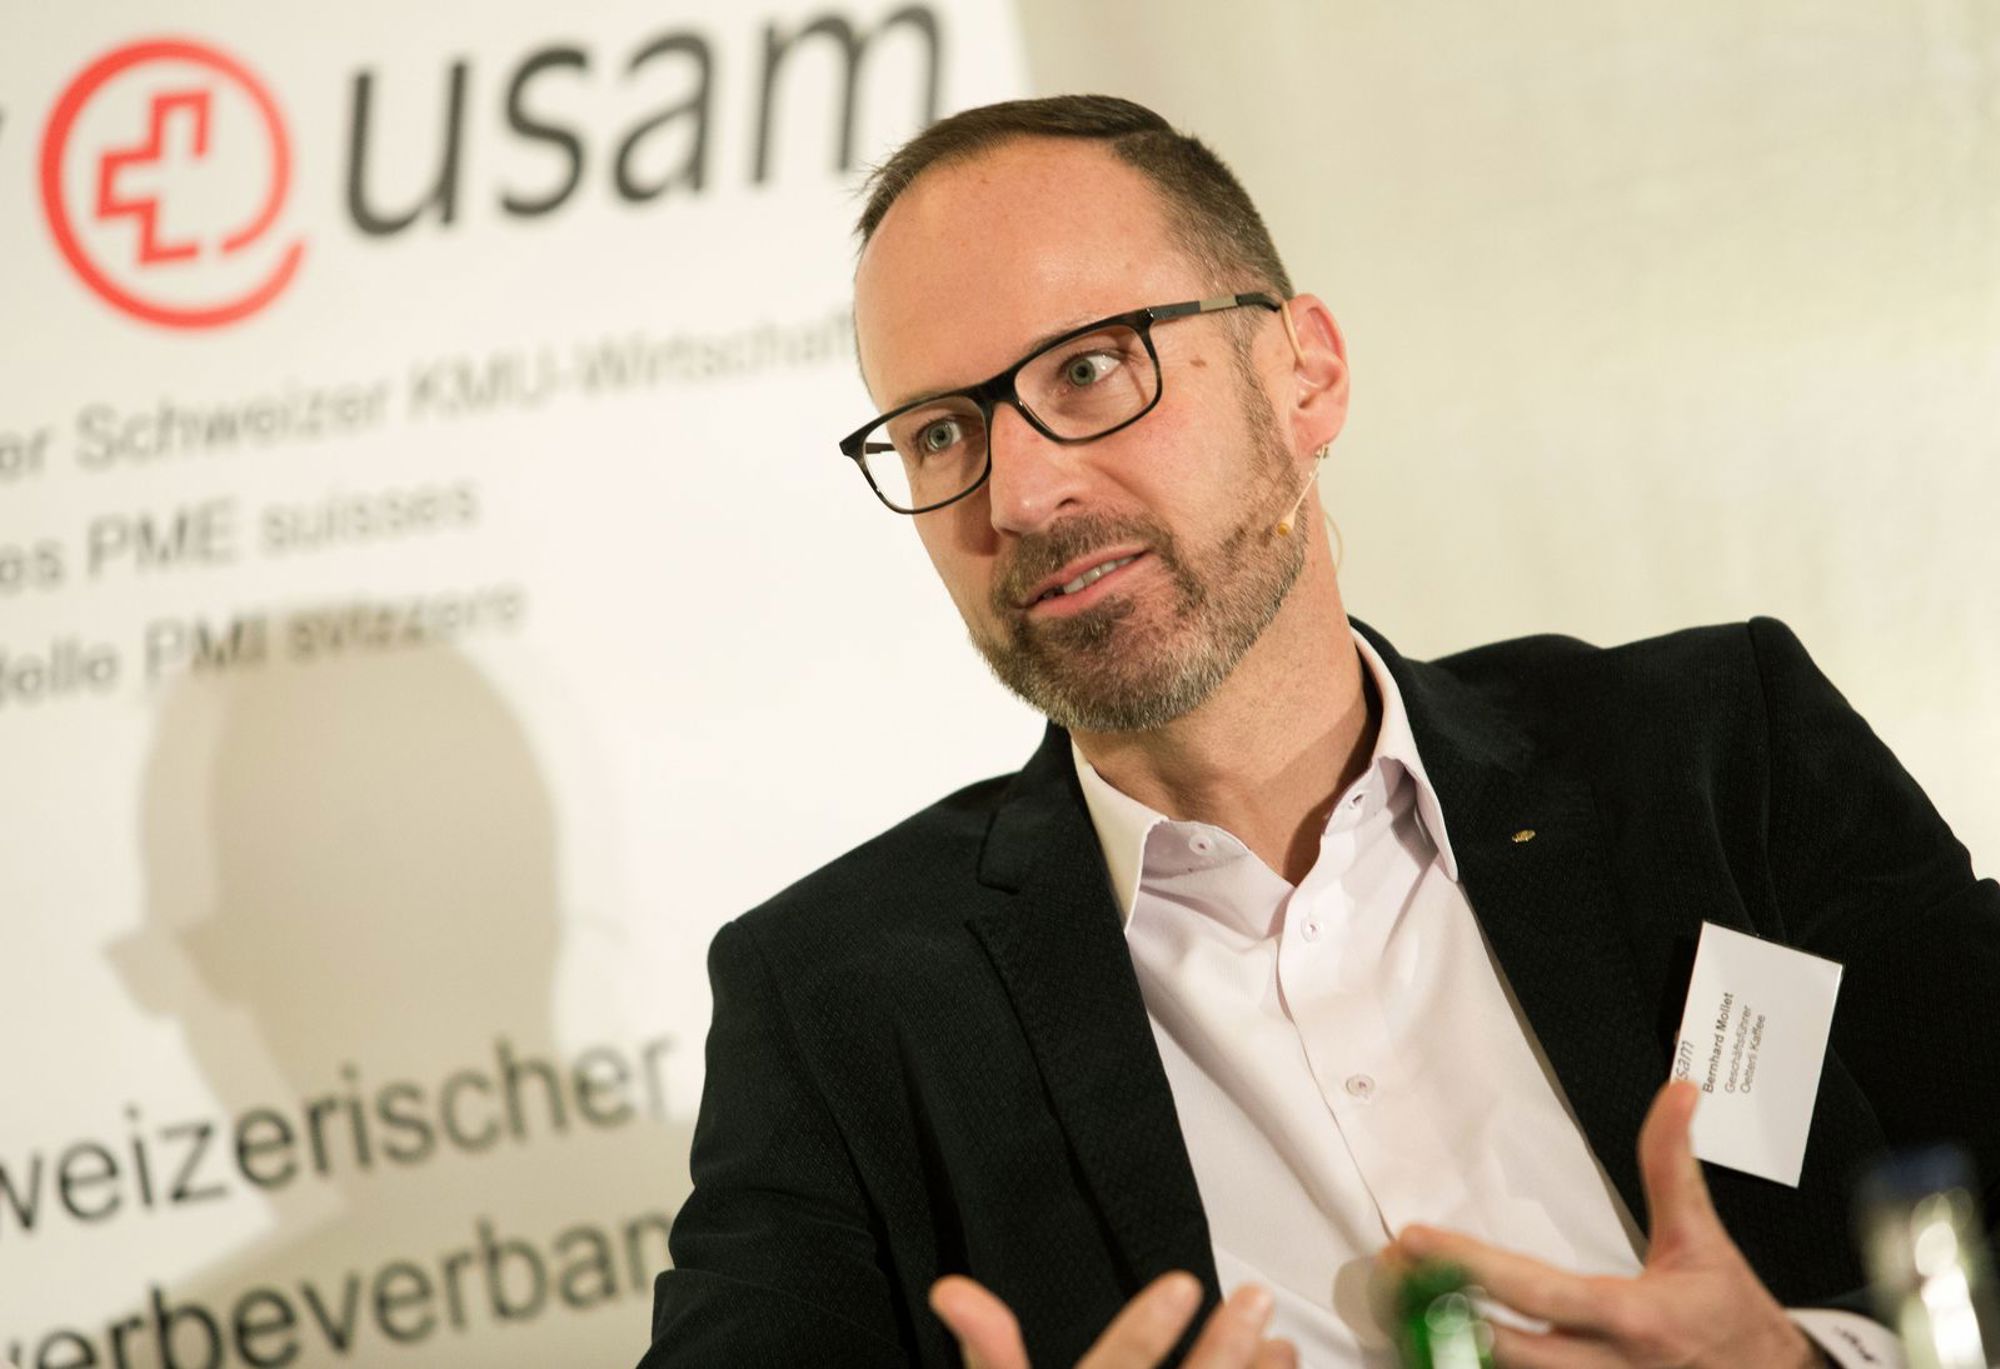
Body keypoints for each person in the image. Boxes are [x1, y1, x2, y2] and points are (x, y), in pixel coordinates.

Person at [637, 96, 1999, 1368]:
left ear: (1306, 376)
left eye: (1090, 369)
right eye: (941, 435)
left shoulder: (1712, 754)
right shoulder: (840, 1002)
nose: (1022, 494)